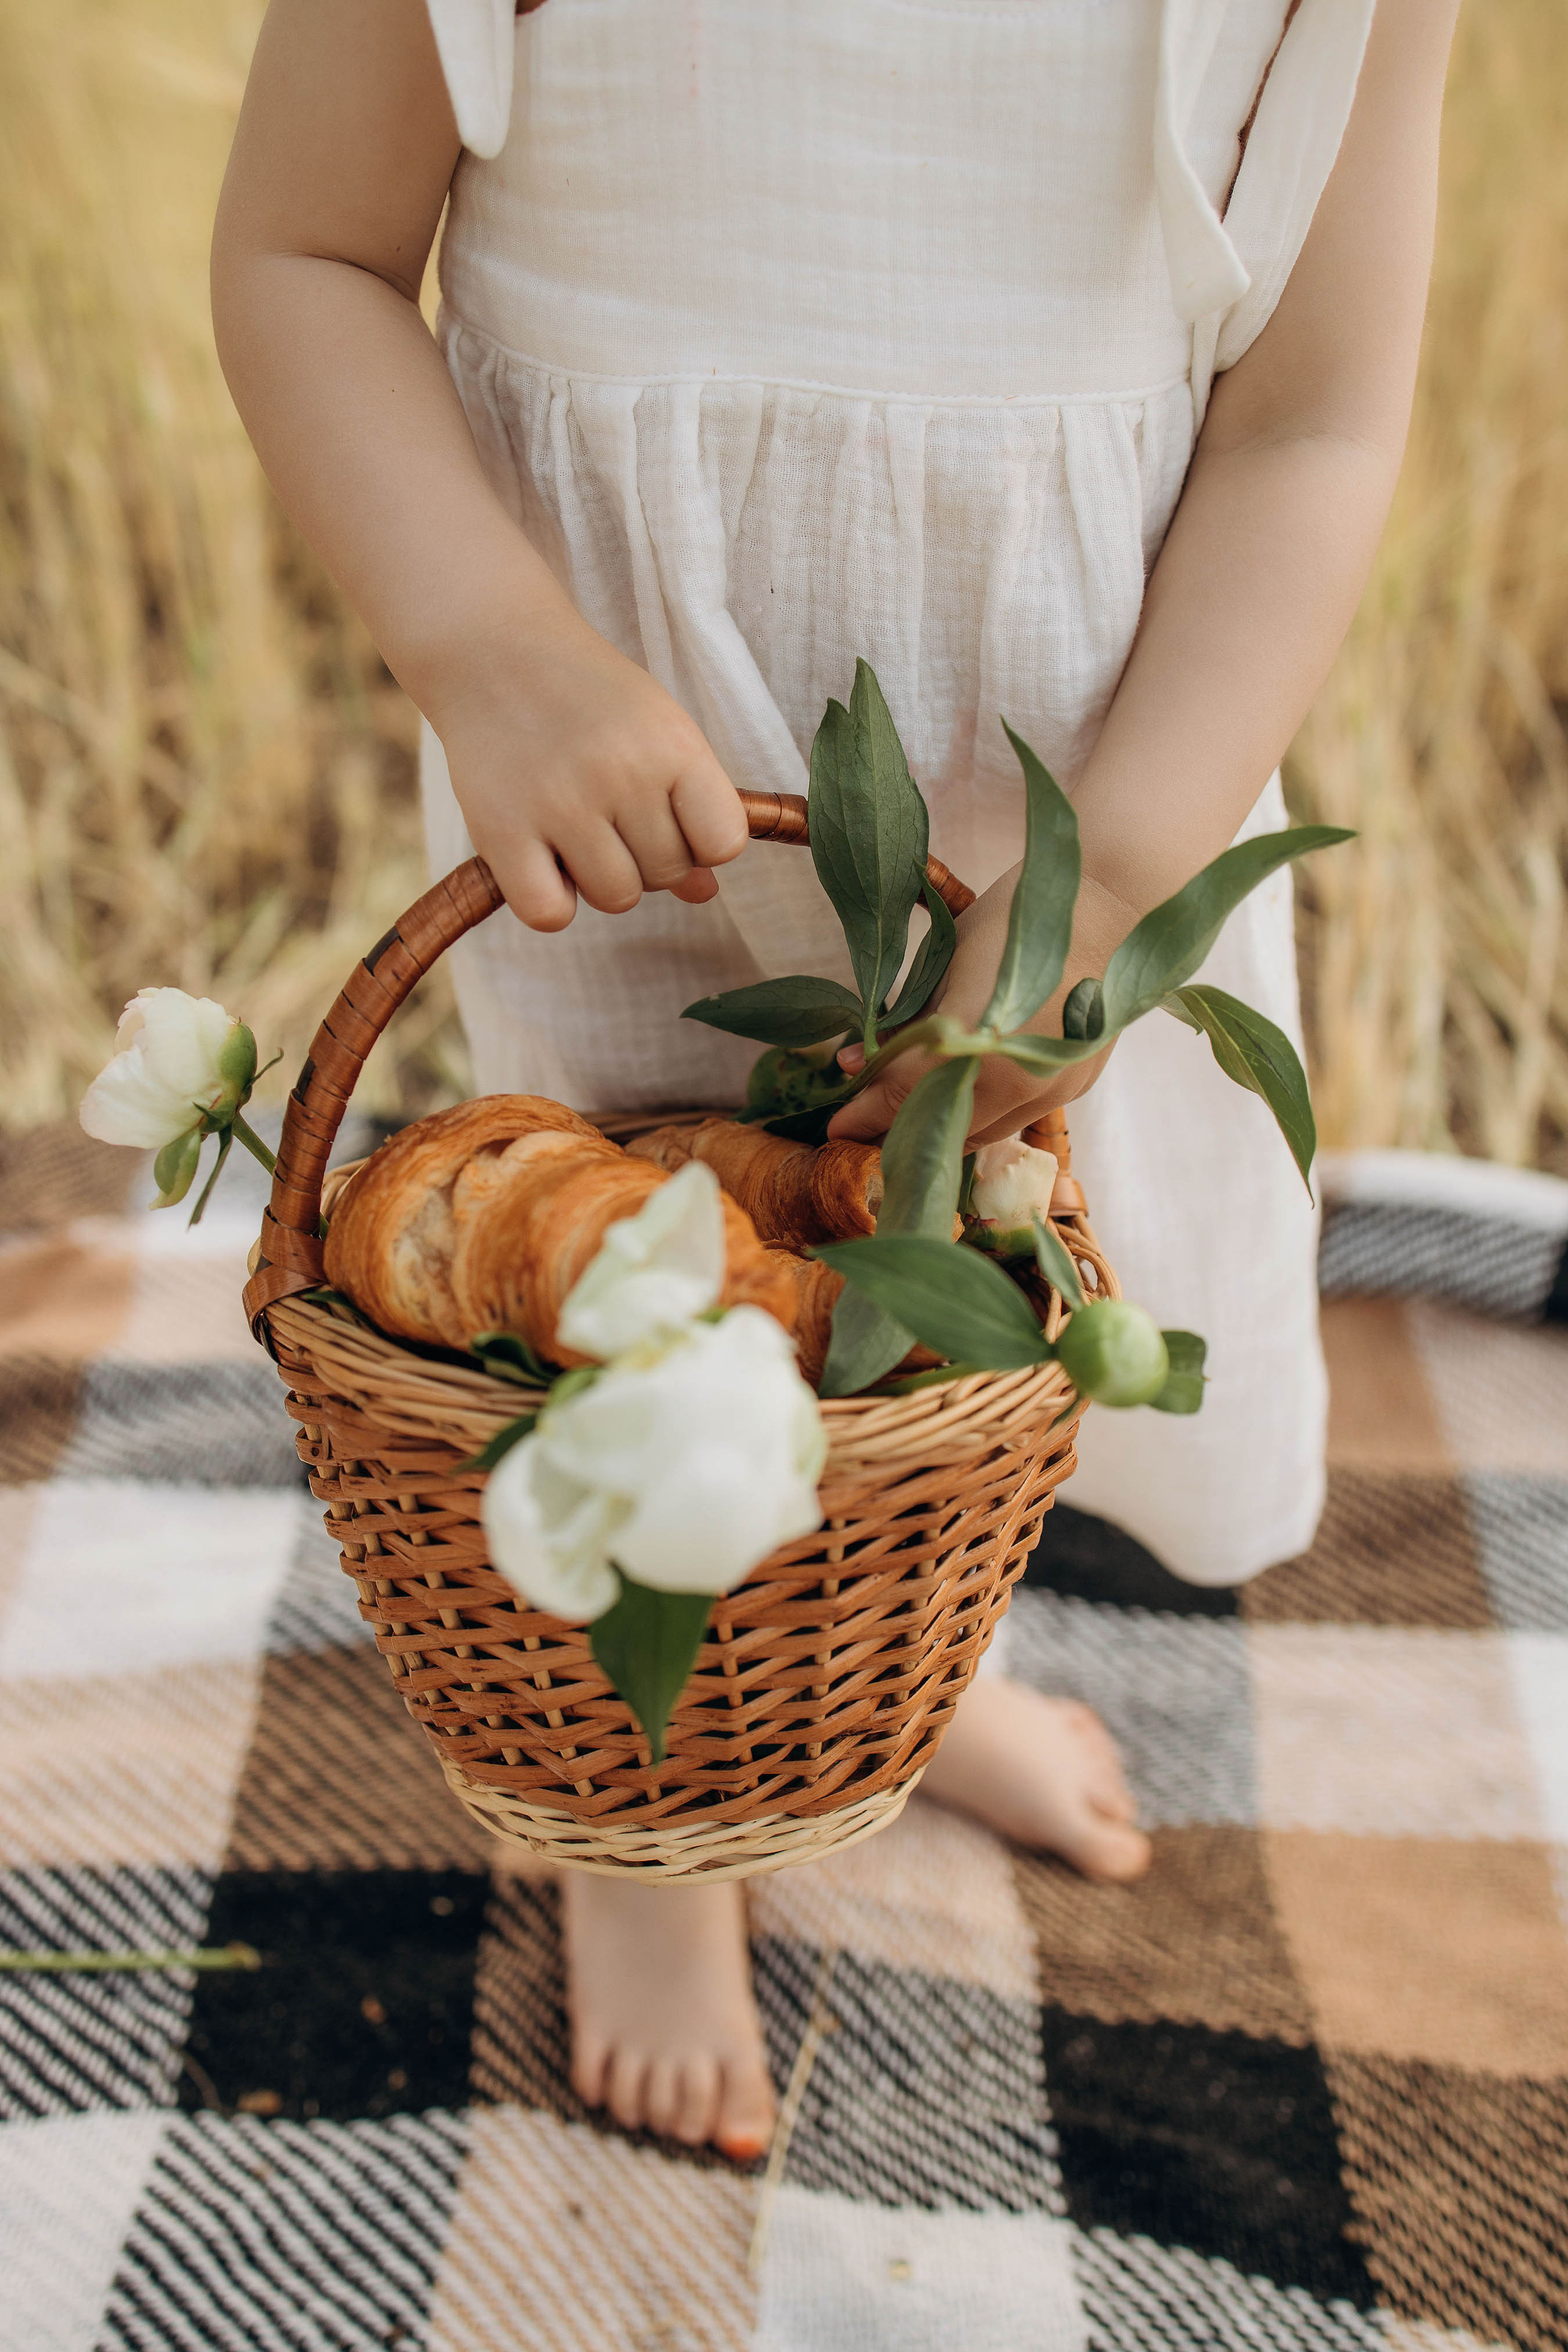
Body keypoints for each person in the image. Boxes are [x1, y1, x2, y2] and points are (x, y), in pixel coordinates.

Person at [211, 0, 1460, 2162]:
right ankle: (638, 1830)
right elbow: (302, 258)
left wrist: (1120, 875)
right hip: (627, 775)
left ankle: (907, 1670)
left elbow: (1312, 428)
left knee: (944, 1328)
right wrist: (491, 651)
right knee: (613, 1321)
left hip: (1073, 795)